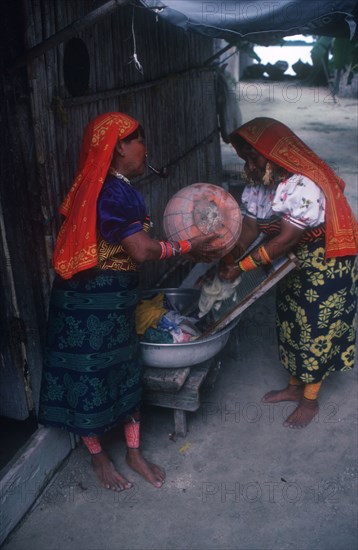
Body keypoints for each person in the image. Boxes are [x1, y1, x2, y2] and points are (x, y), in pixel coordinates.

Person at [38, 112, 220, 491]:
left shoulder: (107, 188)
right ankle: (100, 458)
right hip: (87, 304)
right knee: (89, 378)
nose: (146, 151)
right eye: (141, 142)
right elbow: (140, 250)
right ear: (120, 145)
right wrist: (188, 246)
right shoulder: (110, 192)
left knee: (124, 371)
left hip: (110, 298)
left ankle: (133, 452)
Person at [219, 117, 357, 429]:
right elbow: (251, 228)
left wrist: (240, 267)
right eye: (245, 158)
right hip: (294, 262)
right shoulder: (260, 185)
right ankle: (294, 388)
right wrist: (227, 259)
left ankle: (310, 399)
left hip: (326, 264)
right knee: (291, 321)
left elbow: (284, 239)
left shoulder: (302, 185)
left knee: (316, 329)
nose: (249, 164)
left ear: (275, 153)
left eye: (253, 156)